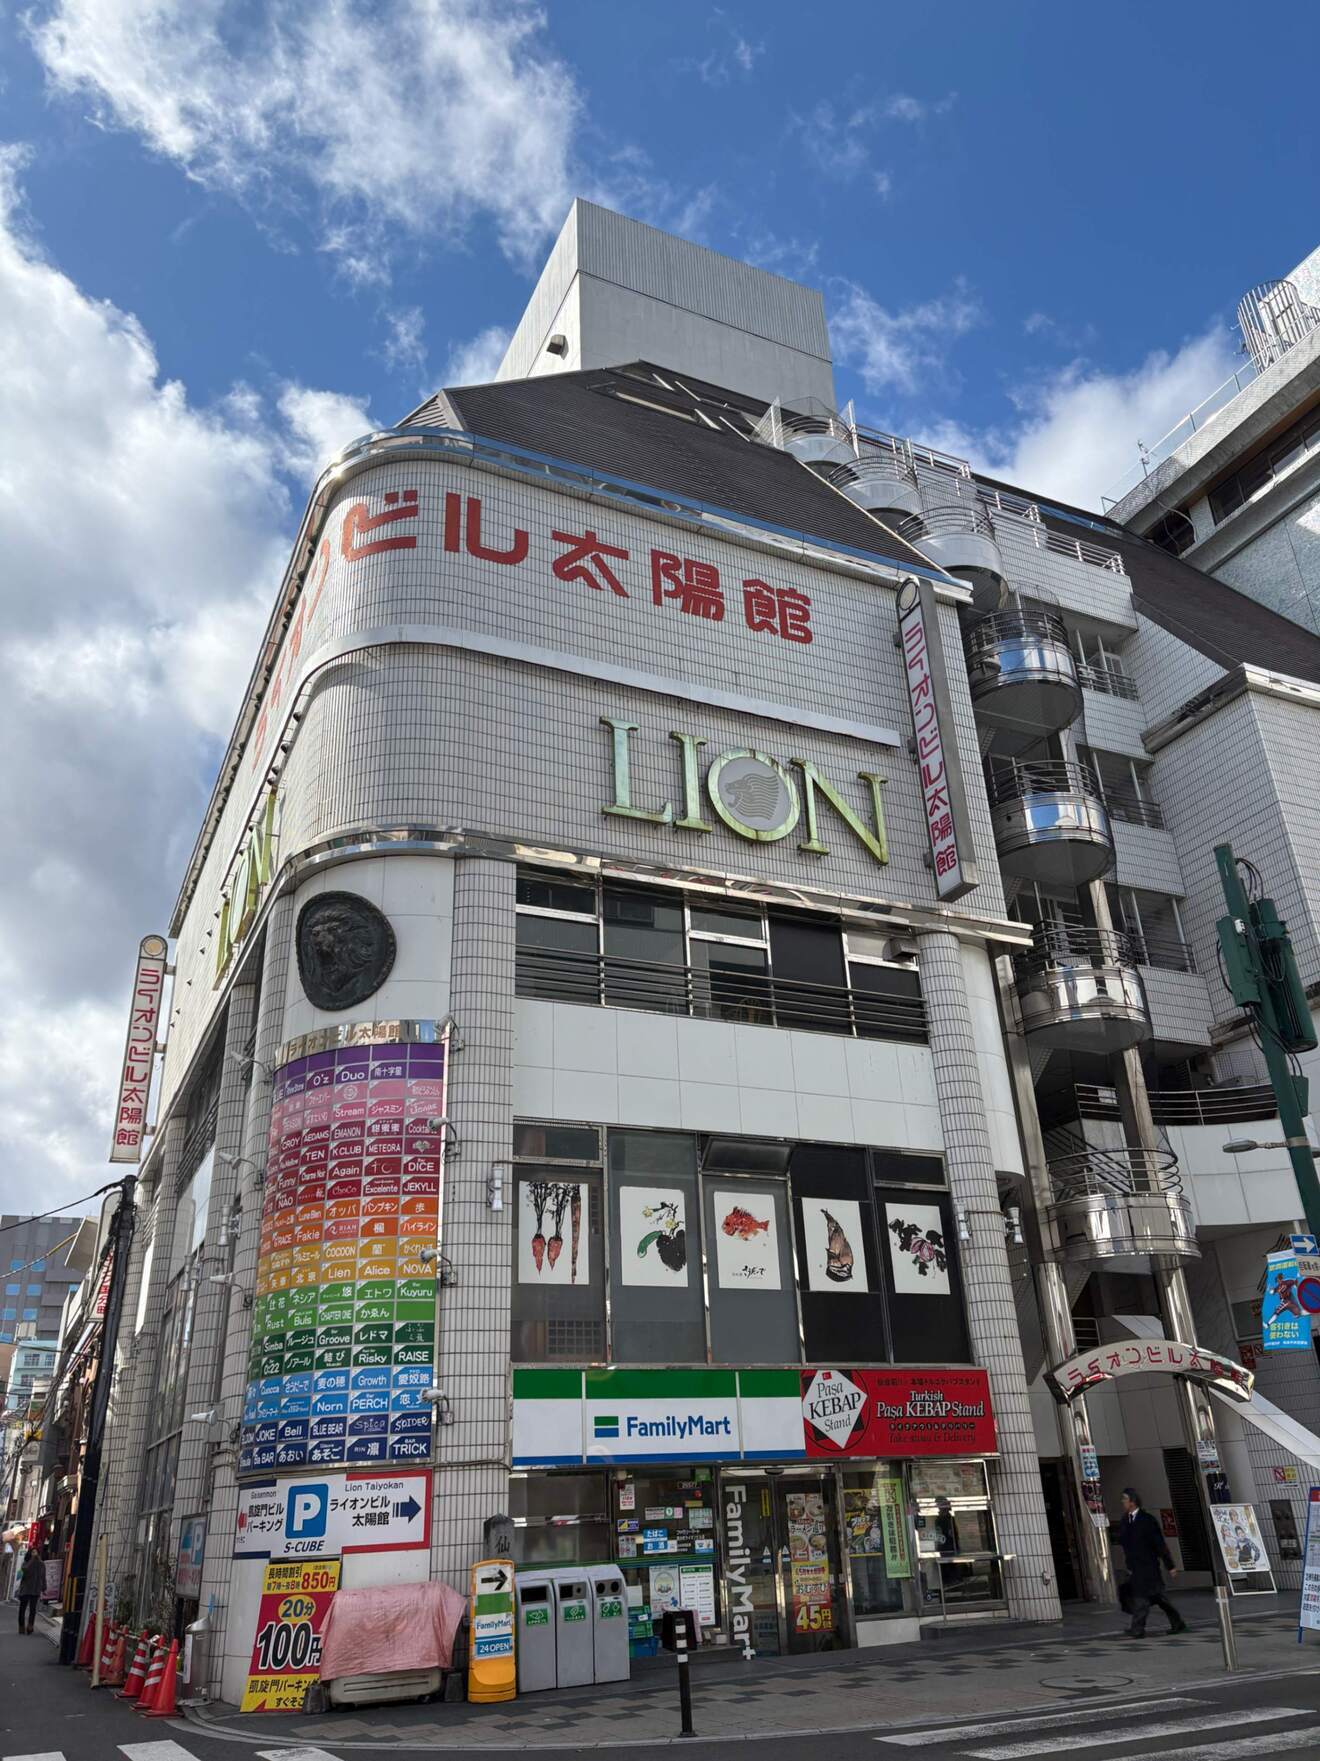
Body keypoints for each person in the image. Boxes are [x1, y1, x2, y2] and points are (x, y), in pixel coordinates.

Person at [1116, 1488, 1185, 1639]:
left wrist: (1170, 1565)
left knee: (1142, 1598)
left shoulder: (1147, 1520)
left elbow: (1159, 1544)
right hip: (1135, 1566)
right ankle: (1177, 1622)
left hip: (1148, 1566)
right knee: (1157, 1597)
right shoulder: (1125, 1520)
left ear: (1132, 1502)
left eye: (1125, 1499)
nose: (1122, 1502)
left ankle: (1137, 1629)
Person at [16, 1550, 43, 1635]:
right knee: (22, 1609)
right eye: (33, 1552)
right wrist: (32, 1560)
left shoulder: (41, 1564)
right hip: (26, 1589)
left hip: (35, 1590)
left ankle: (30, 1626)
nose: (35, 1553)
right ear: (29, 1554)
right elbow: (25, 1569)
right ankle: (21, 1626)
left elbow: (43, 1576)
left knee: (33, 1610)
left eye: (36, 1552)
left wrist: (44, 1587)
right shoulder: (25, 1563)